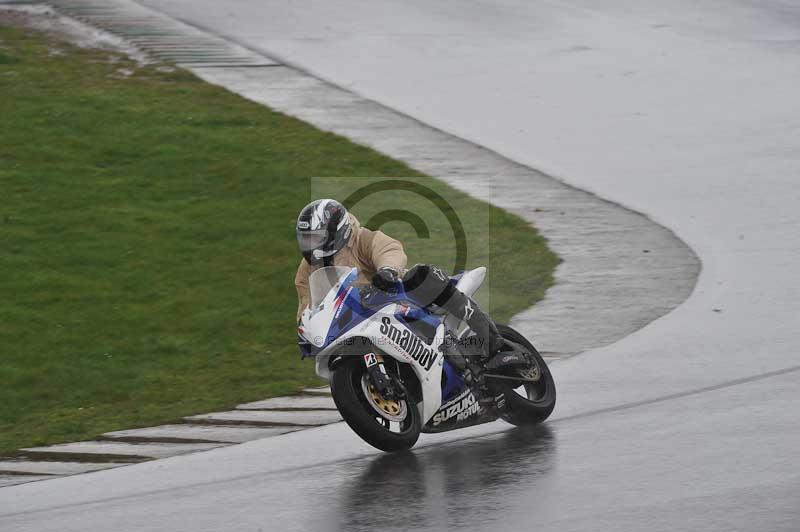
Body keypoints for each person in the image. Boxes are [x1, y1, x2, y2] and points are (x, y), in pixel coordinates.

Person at [294, 199, 503, 359]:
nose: (309, 245)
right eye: (305, 239)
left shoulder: (361, 238)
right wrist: (308, 333)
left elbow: (389, 249)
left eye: (315, 237)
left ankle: (486, 331)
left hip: (395, 295)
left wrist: (387, 271)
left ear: (335, 231)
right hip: (360, 316)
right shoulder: (307, 272)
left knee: (420, 275)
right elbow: (307, 307)